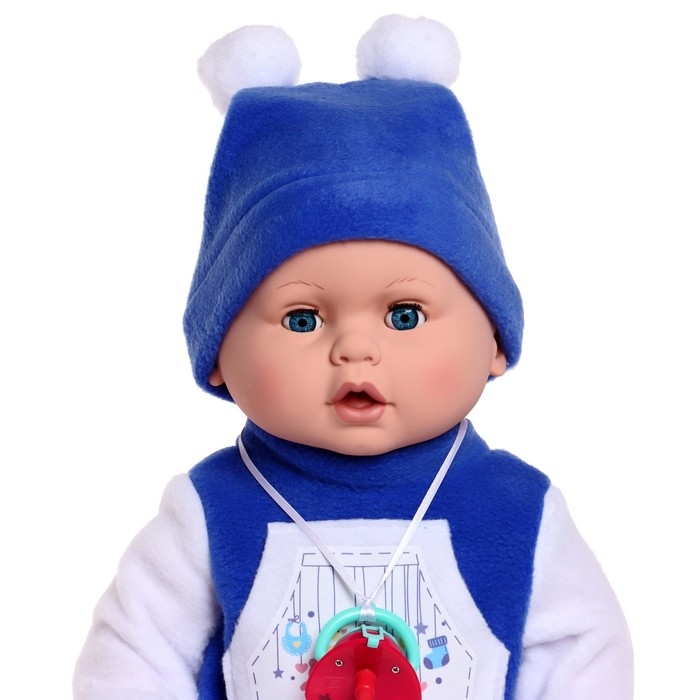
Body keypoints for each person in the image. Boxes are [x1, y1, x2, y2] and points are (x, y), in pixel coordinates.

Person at [74, 15, 633, 700]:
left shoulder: (520, 511)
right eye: (302, 319)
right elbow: (132, 658)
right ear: (217, 352)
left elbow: (585, 660)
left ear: (494, 341)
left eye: (405, 316)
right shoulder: (209, 512)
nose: (355, 349)